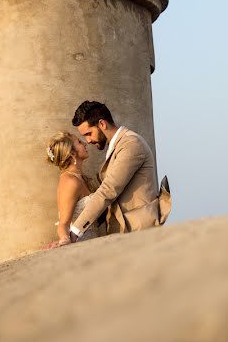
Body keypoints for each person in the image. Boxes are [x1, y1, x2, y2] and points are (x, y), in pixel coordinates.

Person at [68, 101, 169, 242]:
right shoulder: (116, 146)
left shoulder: (131, 144)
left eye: (89, 134)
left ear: (102, 124)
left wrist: (75, 231)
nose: (88, 141)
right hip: (123, 232)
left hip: (139, 229)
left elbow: (109, 189)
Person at [42, 132, 99, 249]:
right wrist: (64, 241)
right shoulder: (70, 182)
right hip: (83, 245)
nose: (85, 143)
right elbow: (63, 223)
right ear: (72, 153)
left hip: (95, 240)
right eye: (79, 142)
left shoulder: (79, 177)